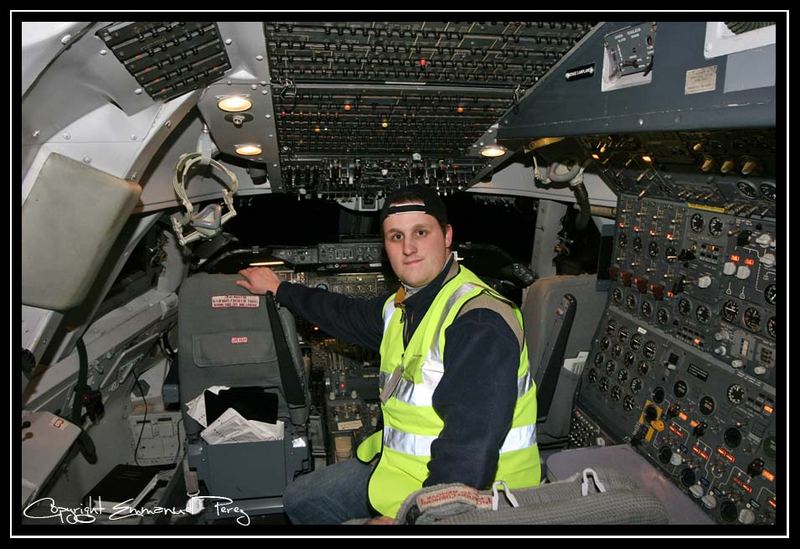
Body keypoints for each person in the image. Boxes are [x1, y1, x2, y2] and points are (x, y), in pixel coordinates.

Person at [236, 185, 540, 524]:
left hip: (479, 500)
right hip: (404, 471)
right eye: (396, 237)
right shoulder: (403, 307)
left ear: (447, 236)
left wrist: (405, 520)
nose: (408, 248)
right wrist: (280, 288)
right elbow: (343, 313)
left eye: (420, 232)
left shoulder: (479, 321)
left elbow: (468, 452)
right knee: (300, 499)